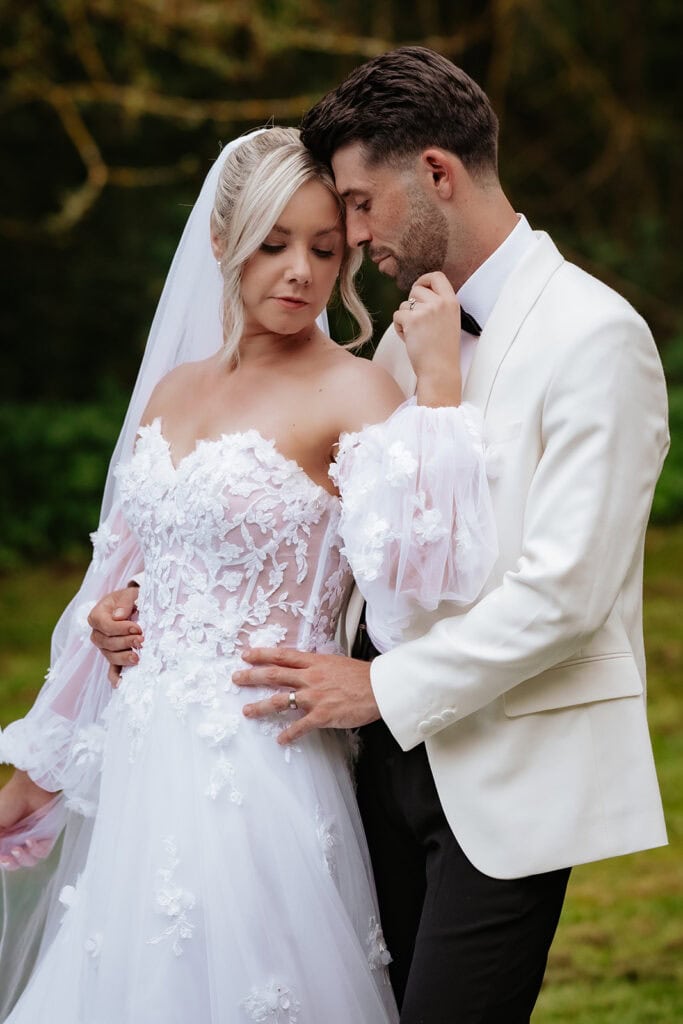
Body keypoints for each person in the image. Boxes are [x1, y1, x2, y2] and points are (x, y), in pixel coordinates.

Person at [89, 48, 670, 1023]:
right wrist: (161, 602)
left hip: (499, 771)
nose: (348, 240)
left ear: (435, 173)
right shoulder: (403, 336)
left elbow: (565, 595)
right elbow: (332, 521)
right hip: (361, 770)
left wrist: (378, 687)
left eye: (357, 207)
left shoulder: (593, 336)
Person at [0, 126, 497, 1022]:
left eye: (321, 247)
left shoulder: (354, 391)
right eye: (272, 245)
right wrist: (112, 624)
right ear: (222, 244)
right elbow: (122, 575)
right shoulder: (173, 391)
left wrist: (437, 395)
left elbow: (427, 575)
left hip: (261, 767)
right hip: (147, 758)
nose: (299, 272)